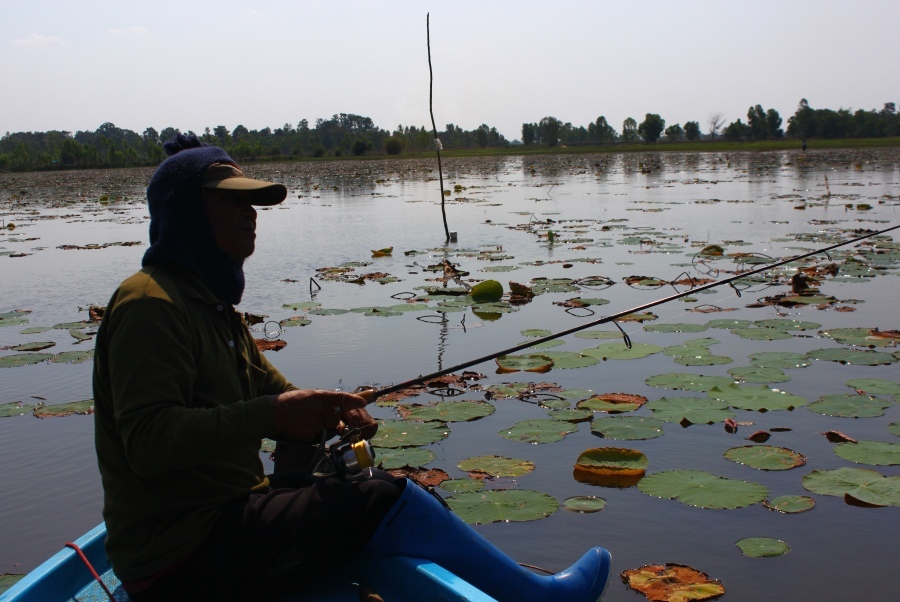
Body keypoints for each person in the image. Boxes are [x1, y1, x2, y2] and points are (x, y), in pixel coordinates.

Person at [93, 134, 611, 601]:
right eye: (231, 199)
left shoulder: (208, 304)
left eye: (252, 201)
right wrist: (273, 414)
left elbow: (270, 388)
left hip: (218, 520)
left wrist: (327, 408)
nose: (250, 212)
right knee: (387, 496)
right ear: (184, 211)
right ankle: (540, 599)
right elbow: (149, 441)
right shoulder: (151, 305)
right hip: (178, 556)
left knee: (349, 486)